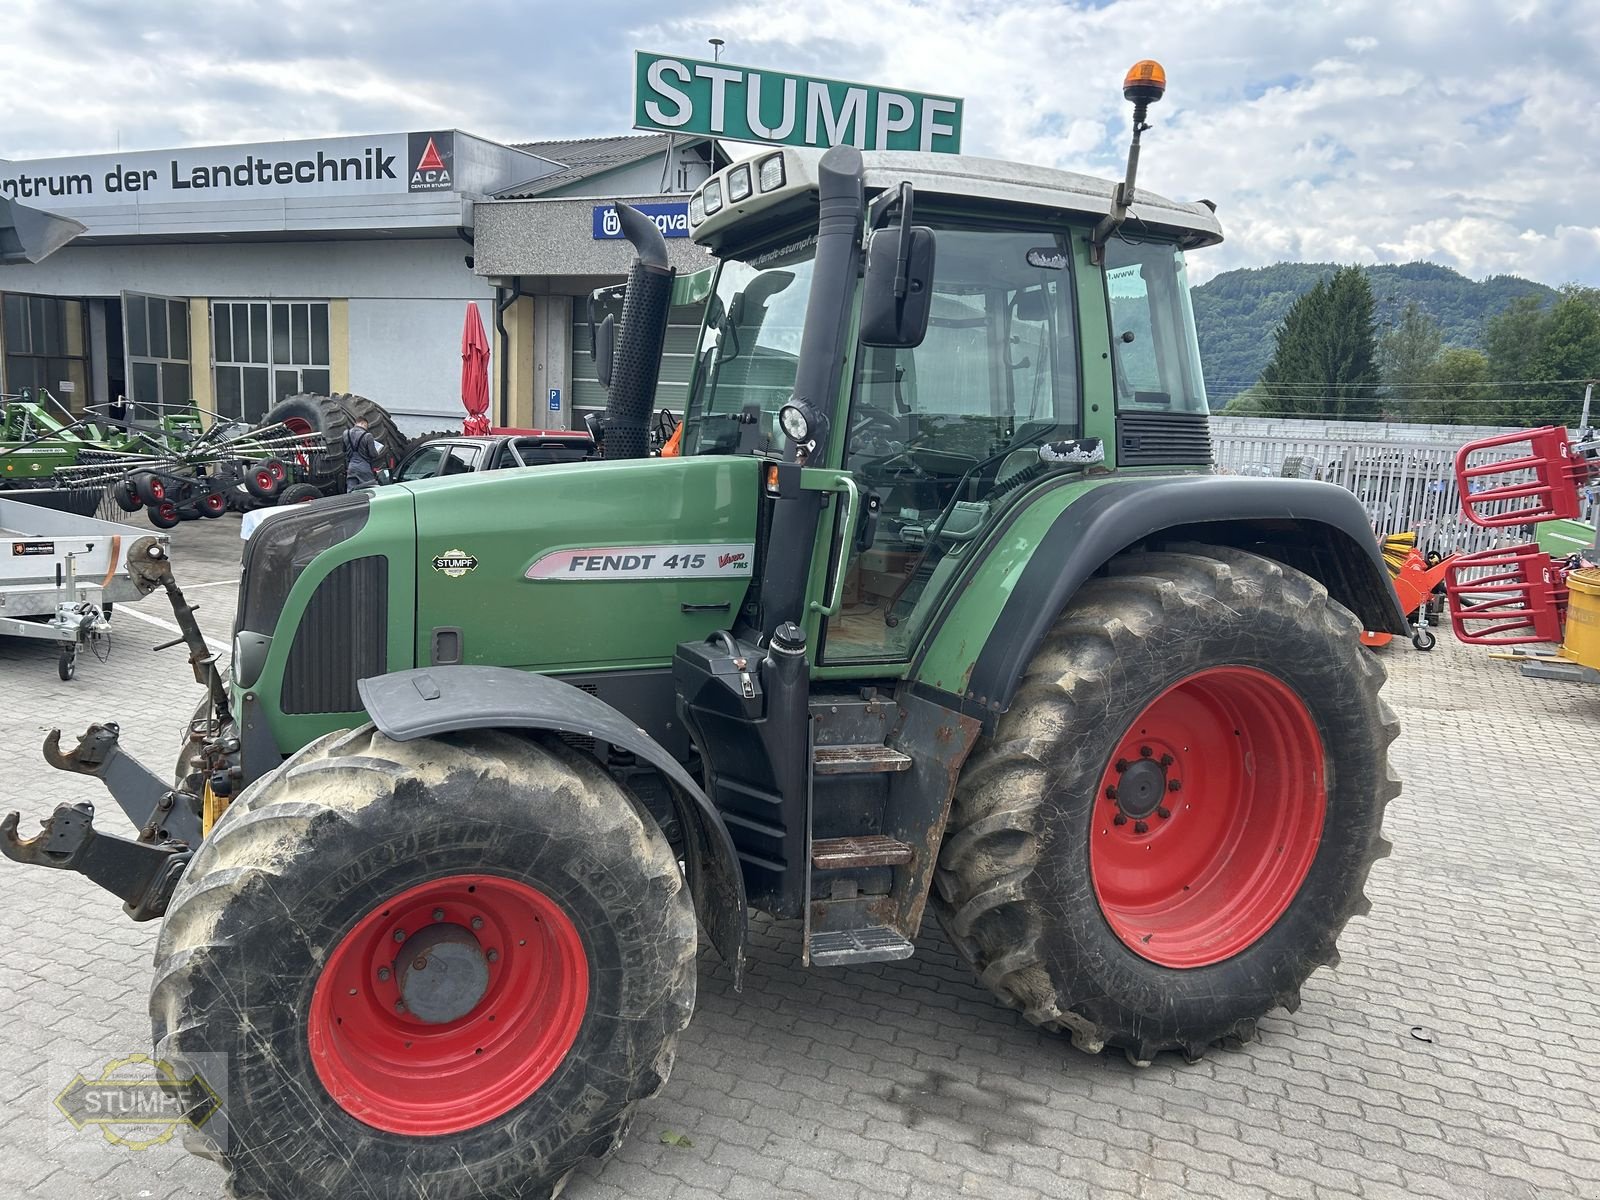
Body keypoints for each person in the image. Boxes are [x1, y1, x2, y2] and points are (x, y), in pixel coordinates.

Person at [343, 419, 385, 491]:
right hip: (364, 467)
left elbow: (344, 450)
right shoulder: (367, 436)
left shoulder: (345, 433)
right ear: (364, 424)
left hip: (351, 467)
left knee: (351, 491)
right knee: (370, 489)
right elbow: (373, 454)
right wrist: (377, 452)